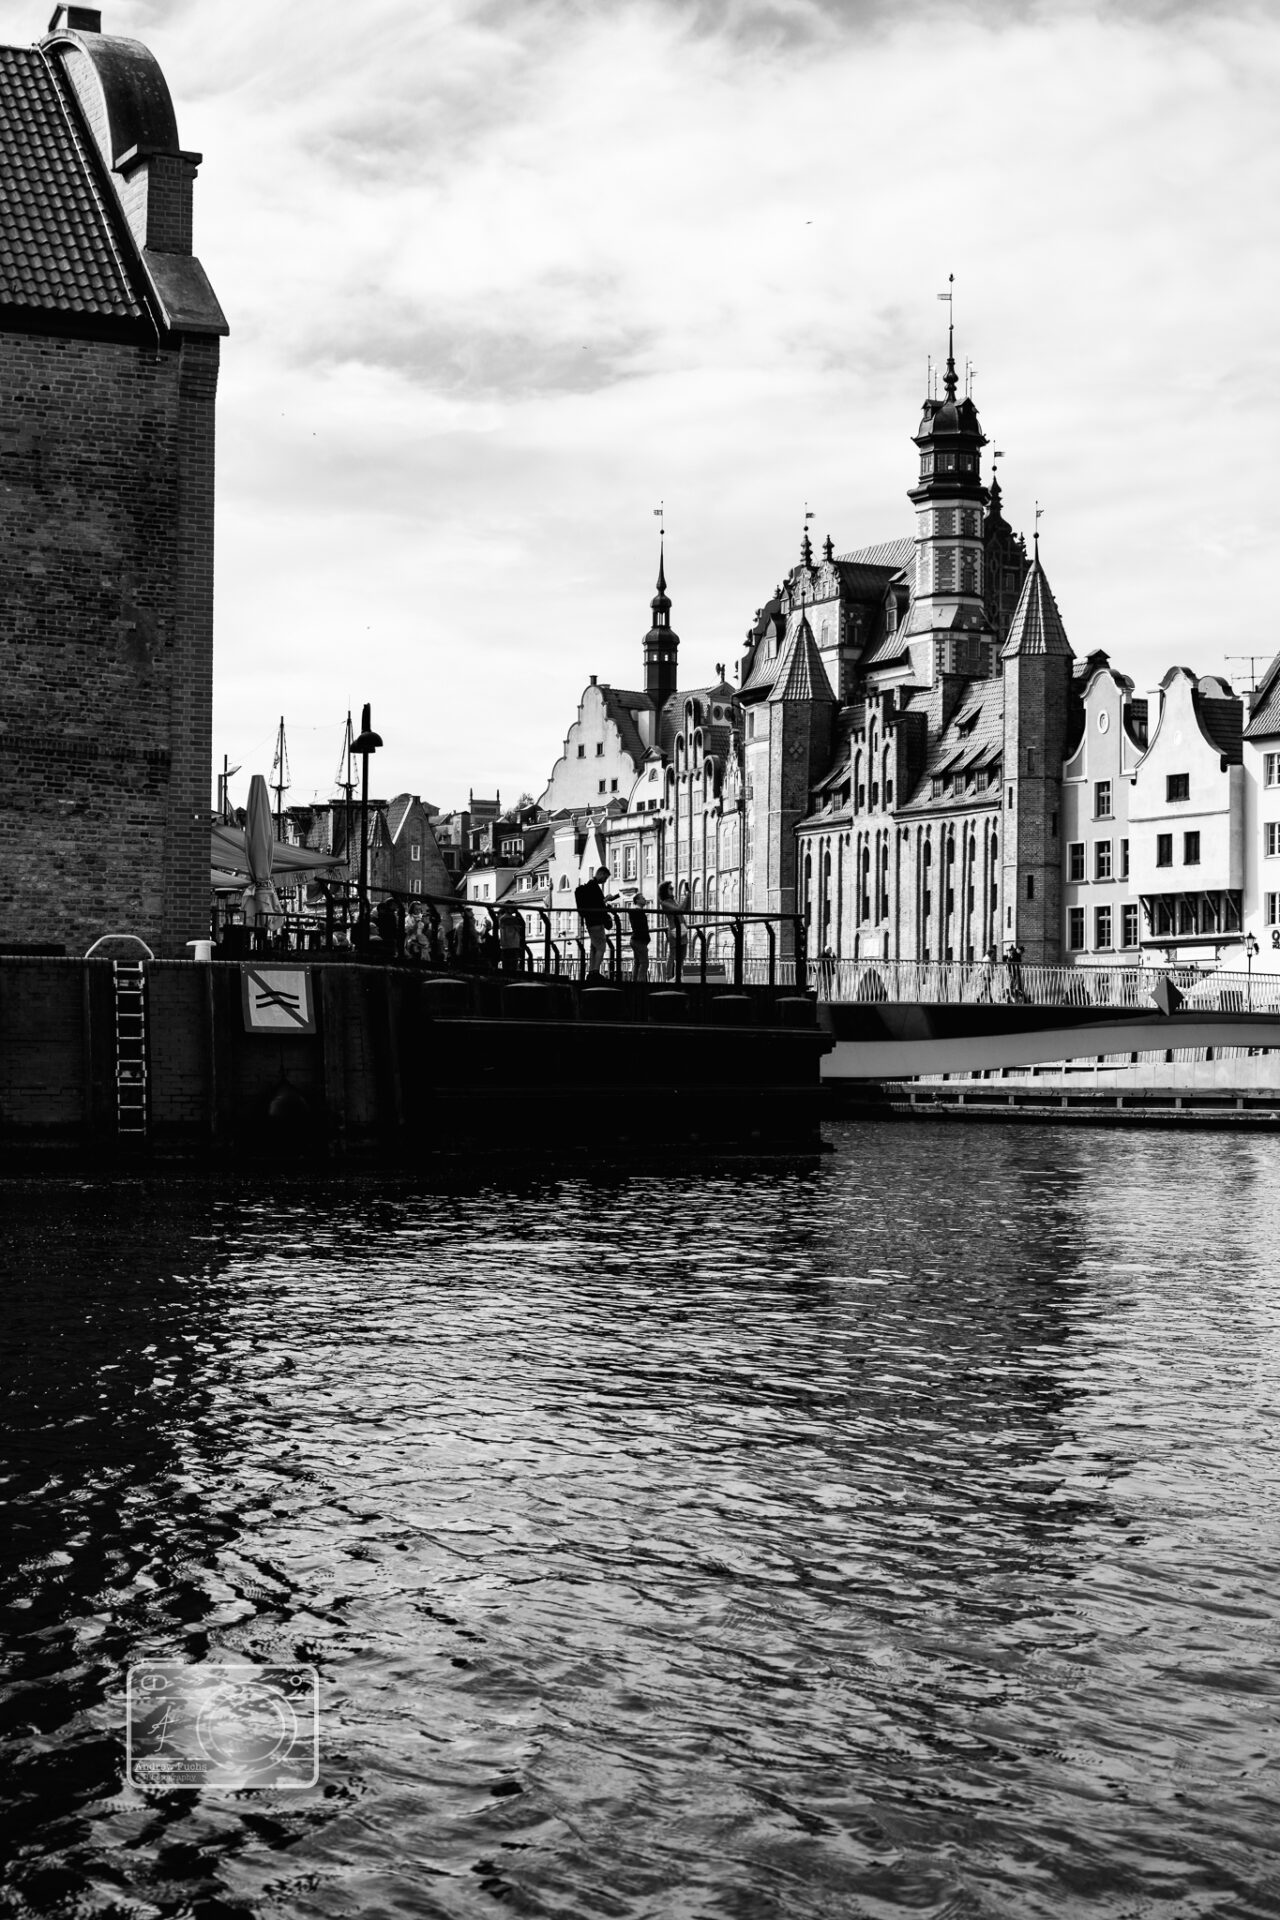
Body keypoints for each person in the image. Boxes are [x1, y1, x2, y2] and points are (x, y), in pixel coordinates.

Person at [575, 866, 613, 982]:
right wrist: (606, 900)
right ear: (601, 874)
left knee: (594, 948)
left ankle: (591, 971)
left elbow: (593, 903)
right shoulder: (594, 887)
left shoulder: (588, 886)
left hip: (589, 921)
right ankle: (595, 972)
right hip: (596, 921)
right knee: (601, 947)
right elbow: (598, 904)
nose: (605, 881)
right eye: (605, 878)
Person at [657, 879, 686, 981]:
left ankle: (679, 975)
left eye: (672, 888)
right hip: (674, 929)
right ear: (665, 890)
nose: (672, 890)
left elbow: (684, 909)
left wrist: (688, 896)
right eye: (670, 888)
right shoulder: (664, 902)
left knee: (682, 955)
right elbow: (678, 910)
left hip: (682, 928)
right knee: (673, 954)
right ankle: (668, 977)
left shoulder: (673, 900)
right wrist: (686, 898)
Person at [497, 902, 527, 975]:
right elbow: (520, 928)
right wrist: (518, 913)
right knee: (513, 966)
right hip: (513, 944)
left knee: (506, 966)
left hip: (505, 945)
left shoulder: (501, 919)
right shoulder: (513, 919)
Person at [628, 894, 651, 982]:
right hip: (639, 940)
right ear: (637, 900)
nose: (645, 900)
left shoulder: (637, 911)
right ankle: (640, 982)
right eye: (643, 898)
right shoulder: (637, 911)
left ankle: (635, 982)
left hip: (636, 940)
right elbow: (640, 926)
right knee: (644, 963)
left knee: (637, 963)